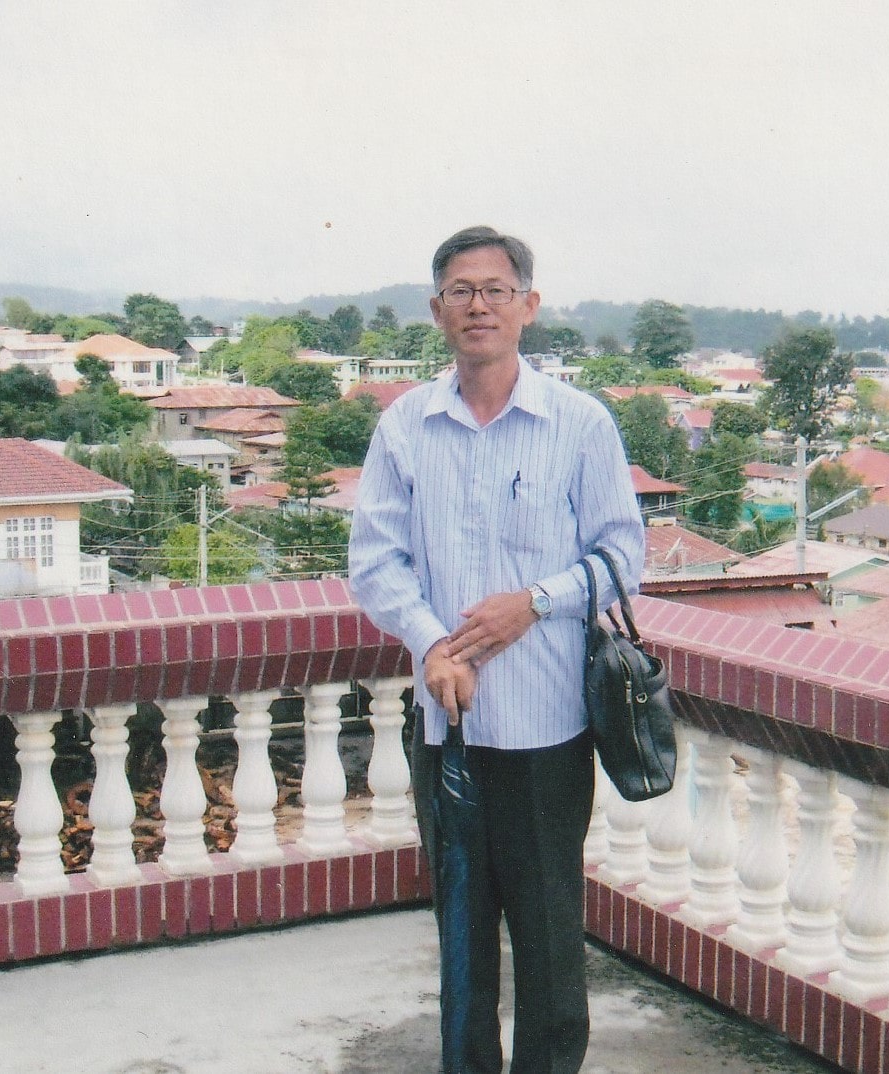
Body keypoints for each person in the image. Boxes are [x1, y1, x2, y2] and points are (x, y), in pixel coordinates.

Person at [349, 226, 645, 1074]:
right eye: (460, 291)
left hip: (547, 728)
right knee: (462, 938)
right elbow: (374, 561)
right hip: (446, 727)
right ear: (436, 309)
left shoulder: (578, 424)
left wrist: (533, 604)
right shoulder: (406, 426)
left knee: (549, 941)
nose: (477, 306)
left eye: (494, 290)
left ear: (527, 305)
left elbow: (622, 557)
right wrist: (431, 643)